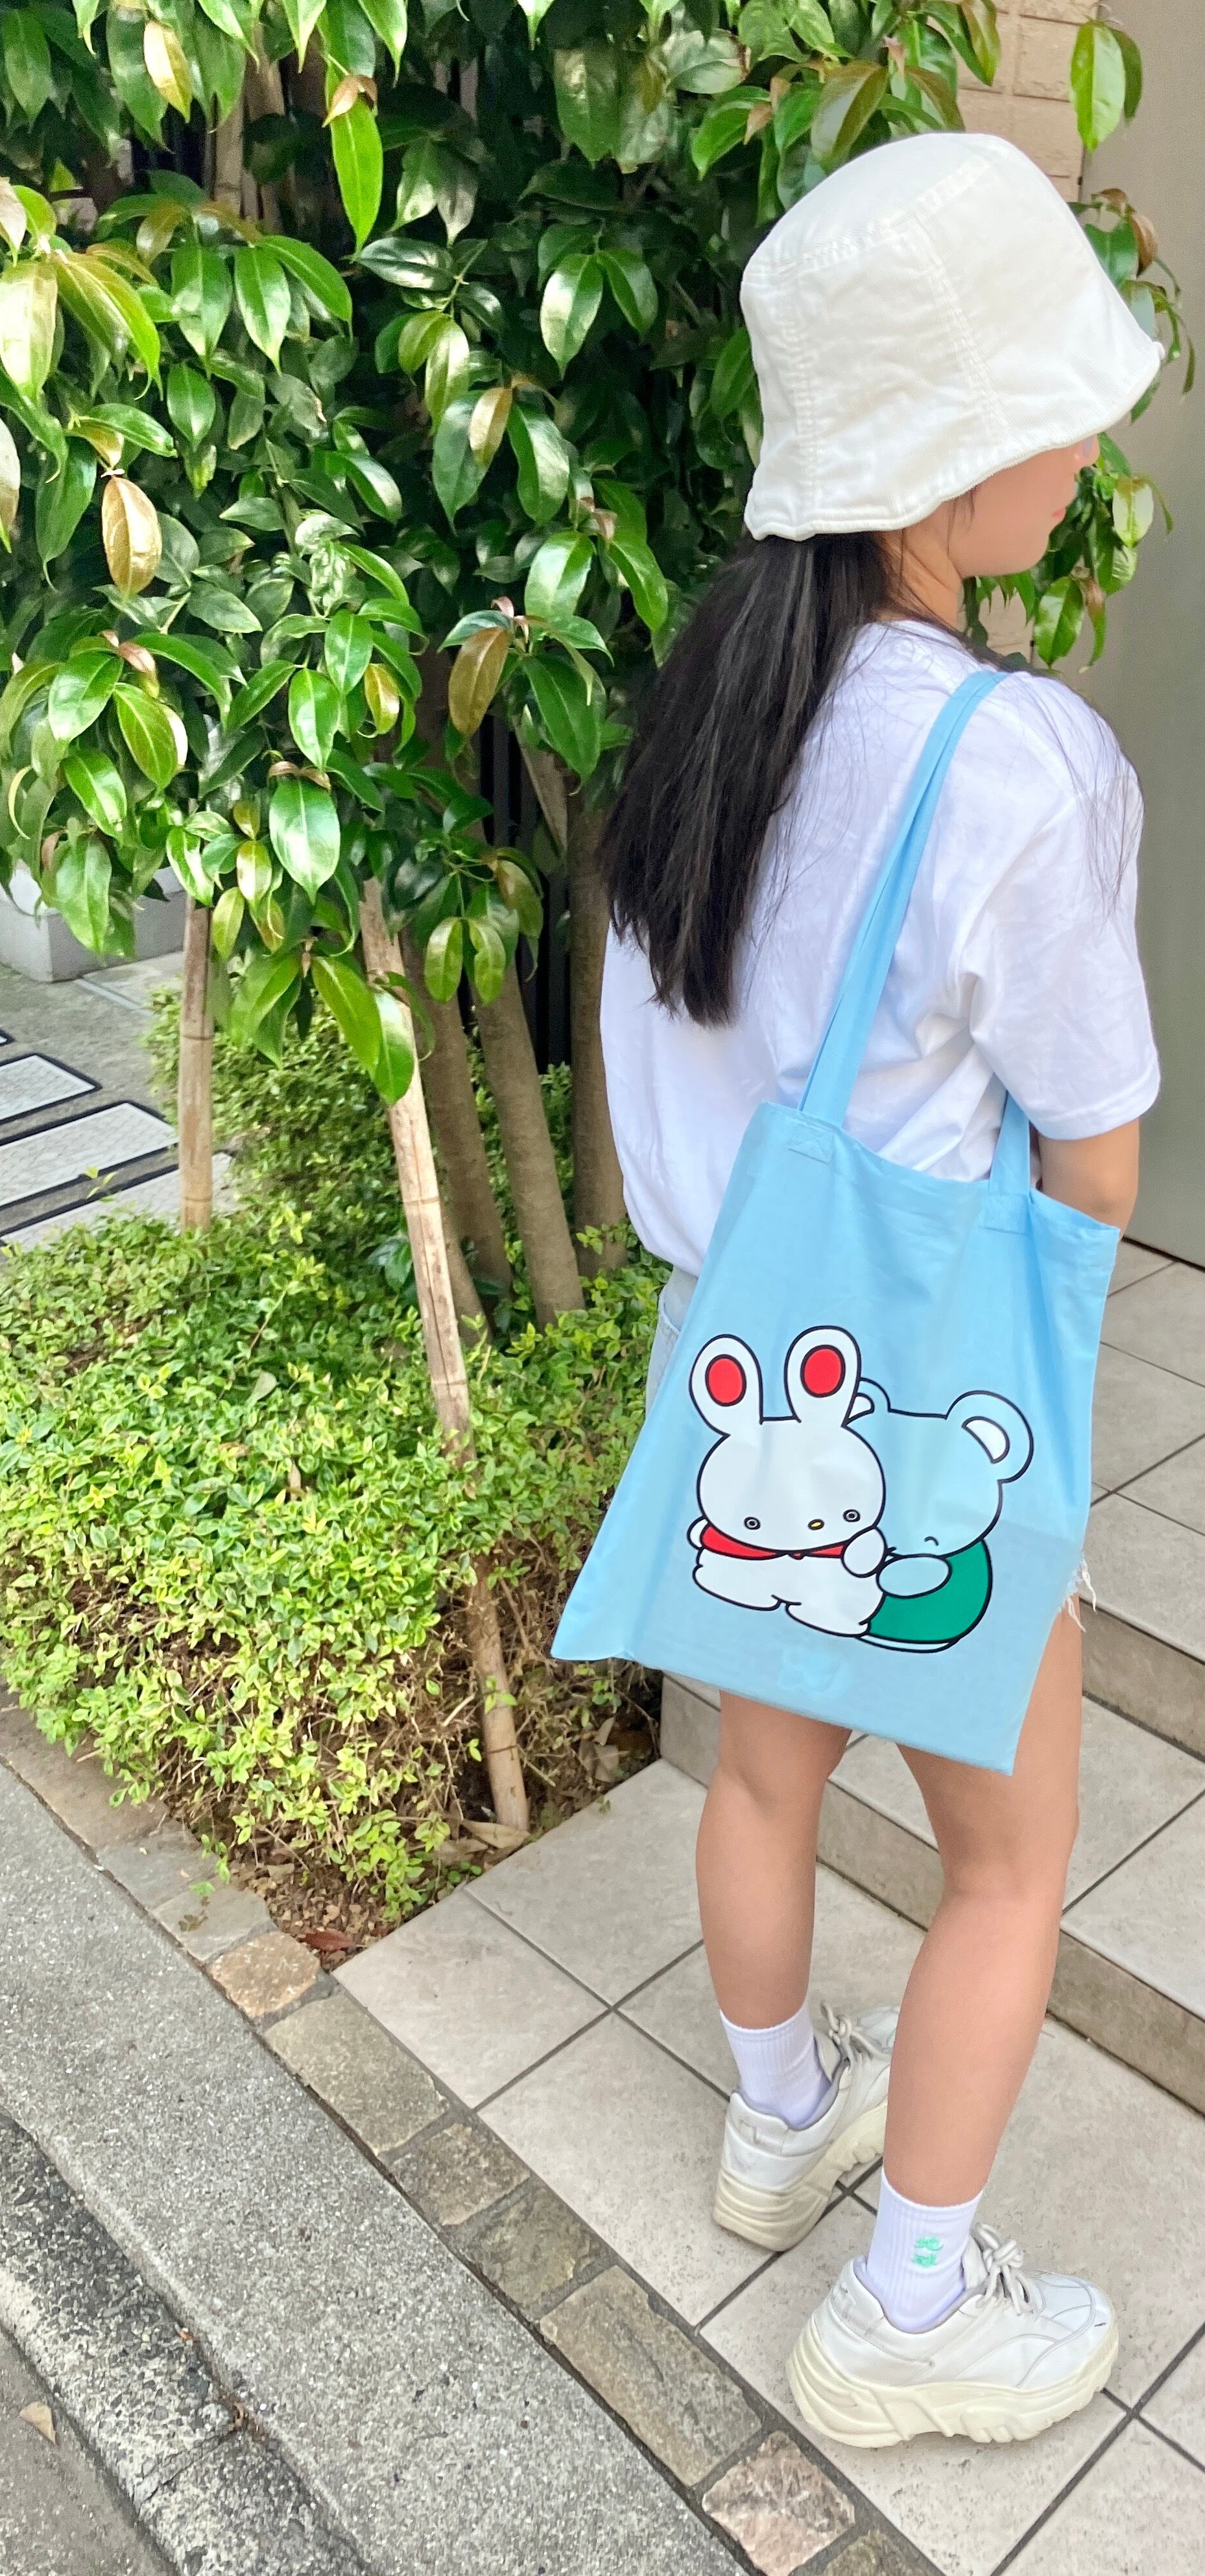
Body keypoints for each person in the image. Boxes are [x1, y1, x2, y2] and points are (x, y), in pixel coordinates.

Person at [599, 132, 1162, 2449]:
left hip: (735, 1368)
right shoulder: (1012, 762)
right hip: (923, 1401)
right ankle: (910, 2306)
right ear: (948, 462)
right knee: (1008, 1863)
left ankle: (775, 2118)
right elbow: (1097, 1150)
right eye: (1058, 404)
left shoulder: (706, 713)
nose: (1089, 440)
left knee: (761, 1764)